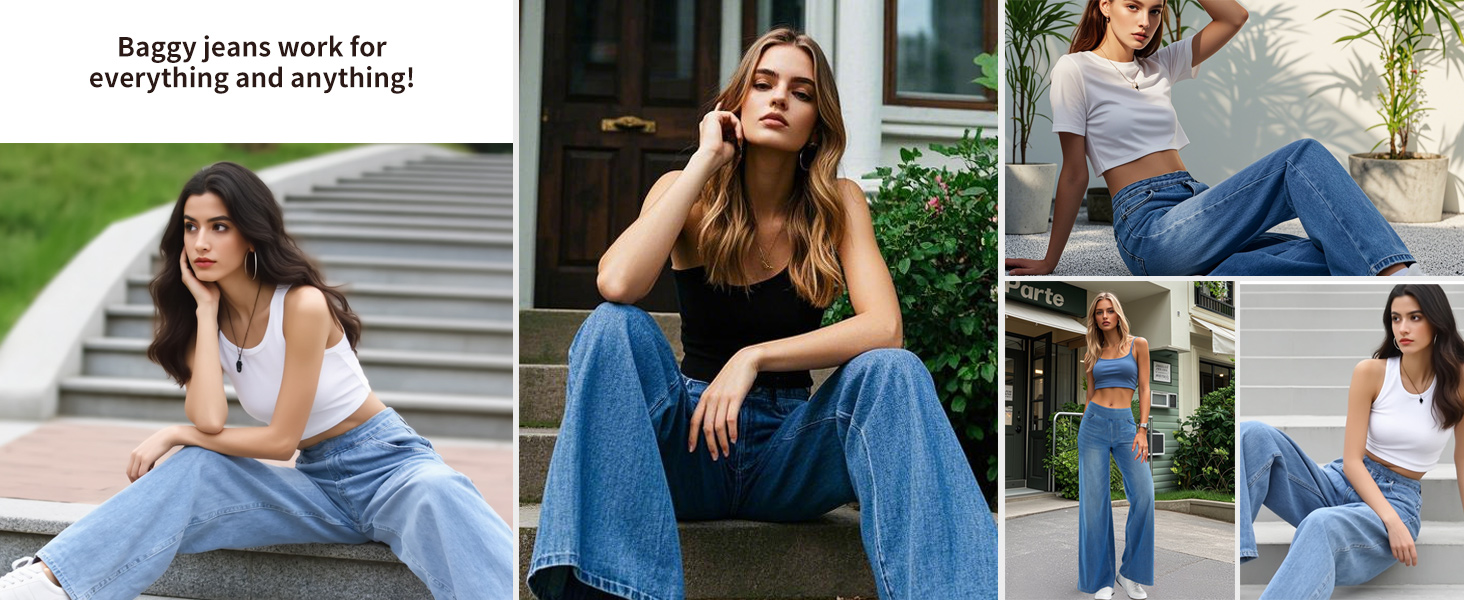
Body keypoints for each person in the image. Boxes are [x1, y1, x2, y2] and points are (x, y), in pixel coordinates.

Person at [525, 28, 997, 600]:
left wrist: (753, 358)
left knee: (893, 373)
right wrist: (705, 158)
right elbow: (618, 282)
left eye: (800, 92)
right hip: (691, 443)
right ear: (737, 104)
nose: (778, 99)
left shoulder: (839, 204)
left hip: (789, 451)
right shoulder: (686, 191)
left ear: (816, 124)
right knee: (610, 326)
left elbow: (884, 329)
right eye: (763, 83)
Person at [0, 162, 513, 600]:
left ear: (250, 232)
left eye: (219, 226)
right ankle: (51, 582)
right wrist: (204, 313)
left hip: (387, 468)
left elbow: (277, 440)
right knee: (198, 465)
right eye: (190, 226)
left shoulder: (303, 304)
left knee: (440, 490)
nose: (201, 242)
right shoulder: (212, 317)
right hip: (315, 484)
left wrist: (175, 434)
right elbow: (209, 420)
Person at [1005, 0, 1423, 277]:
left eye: (1155, 10)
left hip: (1193, 205)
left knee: (1329, 249)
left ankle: (1377, 278)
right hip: (1149, 228)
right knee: (1300, 158)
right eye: (1132, 6)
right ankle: (1402, 281)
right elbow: (1075, 173)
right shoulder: (1074, 69)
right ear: (1105, 7)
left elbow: (1233, 17)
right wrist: (1049, 261)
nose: (1145, 22)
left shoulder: (1160, 65)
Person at [1239, 284, 1464, 599]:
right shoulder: (1372, 372)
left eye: (1415, 317)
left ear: (1437, 321)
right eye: (1396, 318)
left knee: (1321, 525)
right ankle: (1233, 552)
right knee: (1252, 434)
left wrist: (1394, 521)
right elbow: (1352, 461)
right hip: (1341, 481)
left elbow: (1462, 460)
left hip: (1397, 501)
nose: (1403, 328)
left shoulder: (1457, 381)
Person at [1078, 292, 1154, 599]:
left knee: (1145, 495)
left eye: (1110, 310)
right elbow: (1089, 395)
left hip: (1126, 426)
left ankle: (1130, 573)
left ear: (1118, 314)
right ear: (1094, 318)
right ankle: (1101, 581)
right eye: (1099, 312)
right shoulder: (1092, 352)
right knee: (1094, 506)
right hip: (1093, 425)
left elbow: (1146, 387)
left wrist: (1143, 429)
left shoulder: (1138, 345)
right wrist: (1084, 426)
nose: (1105, 316)